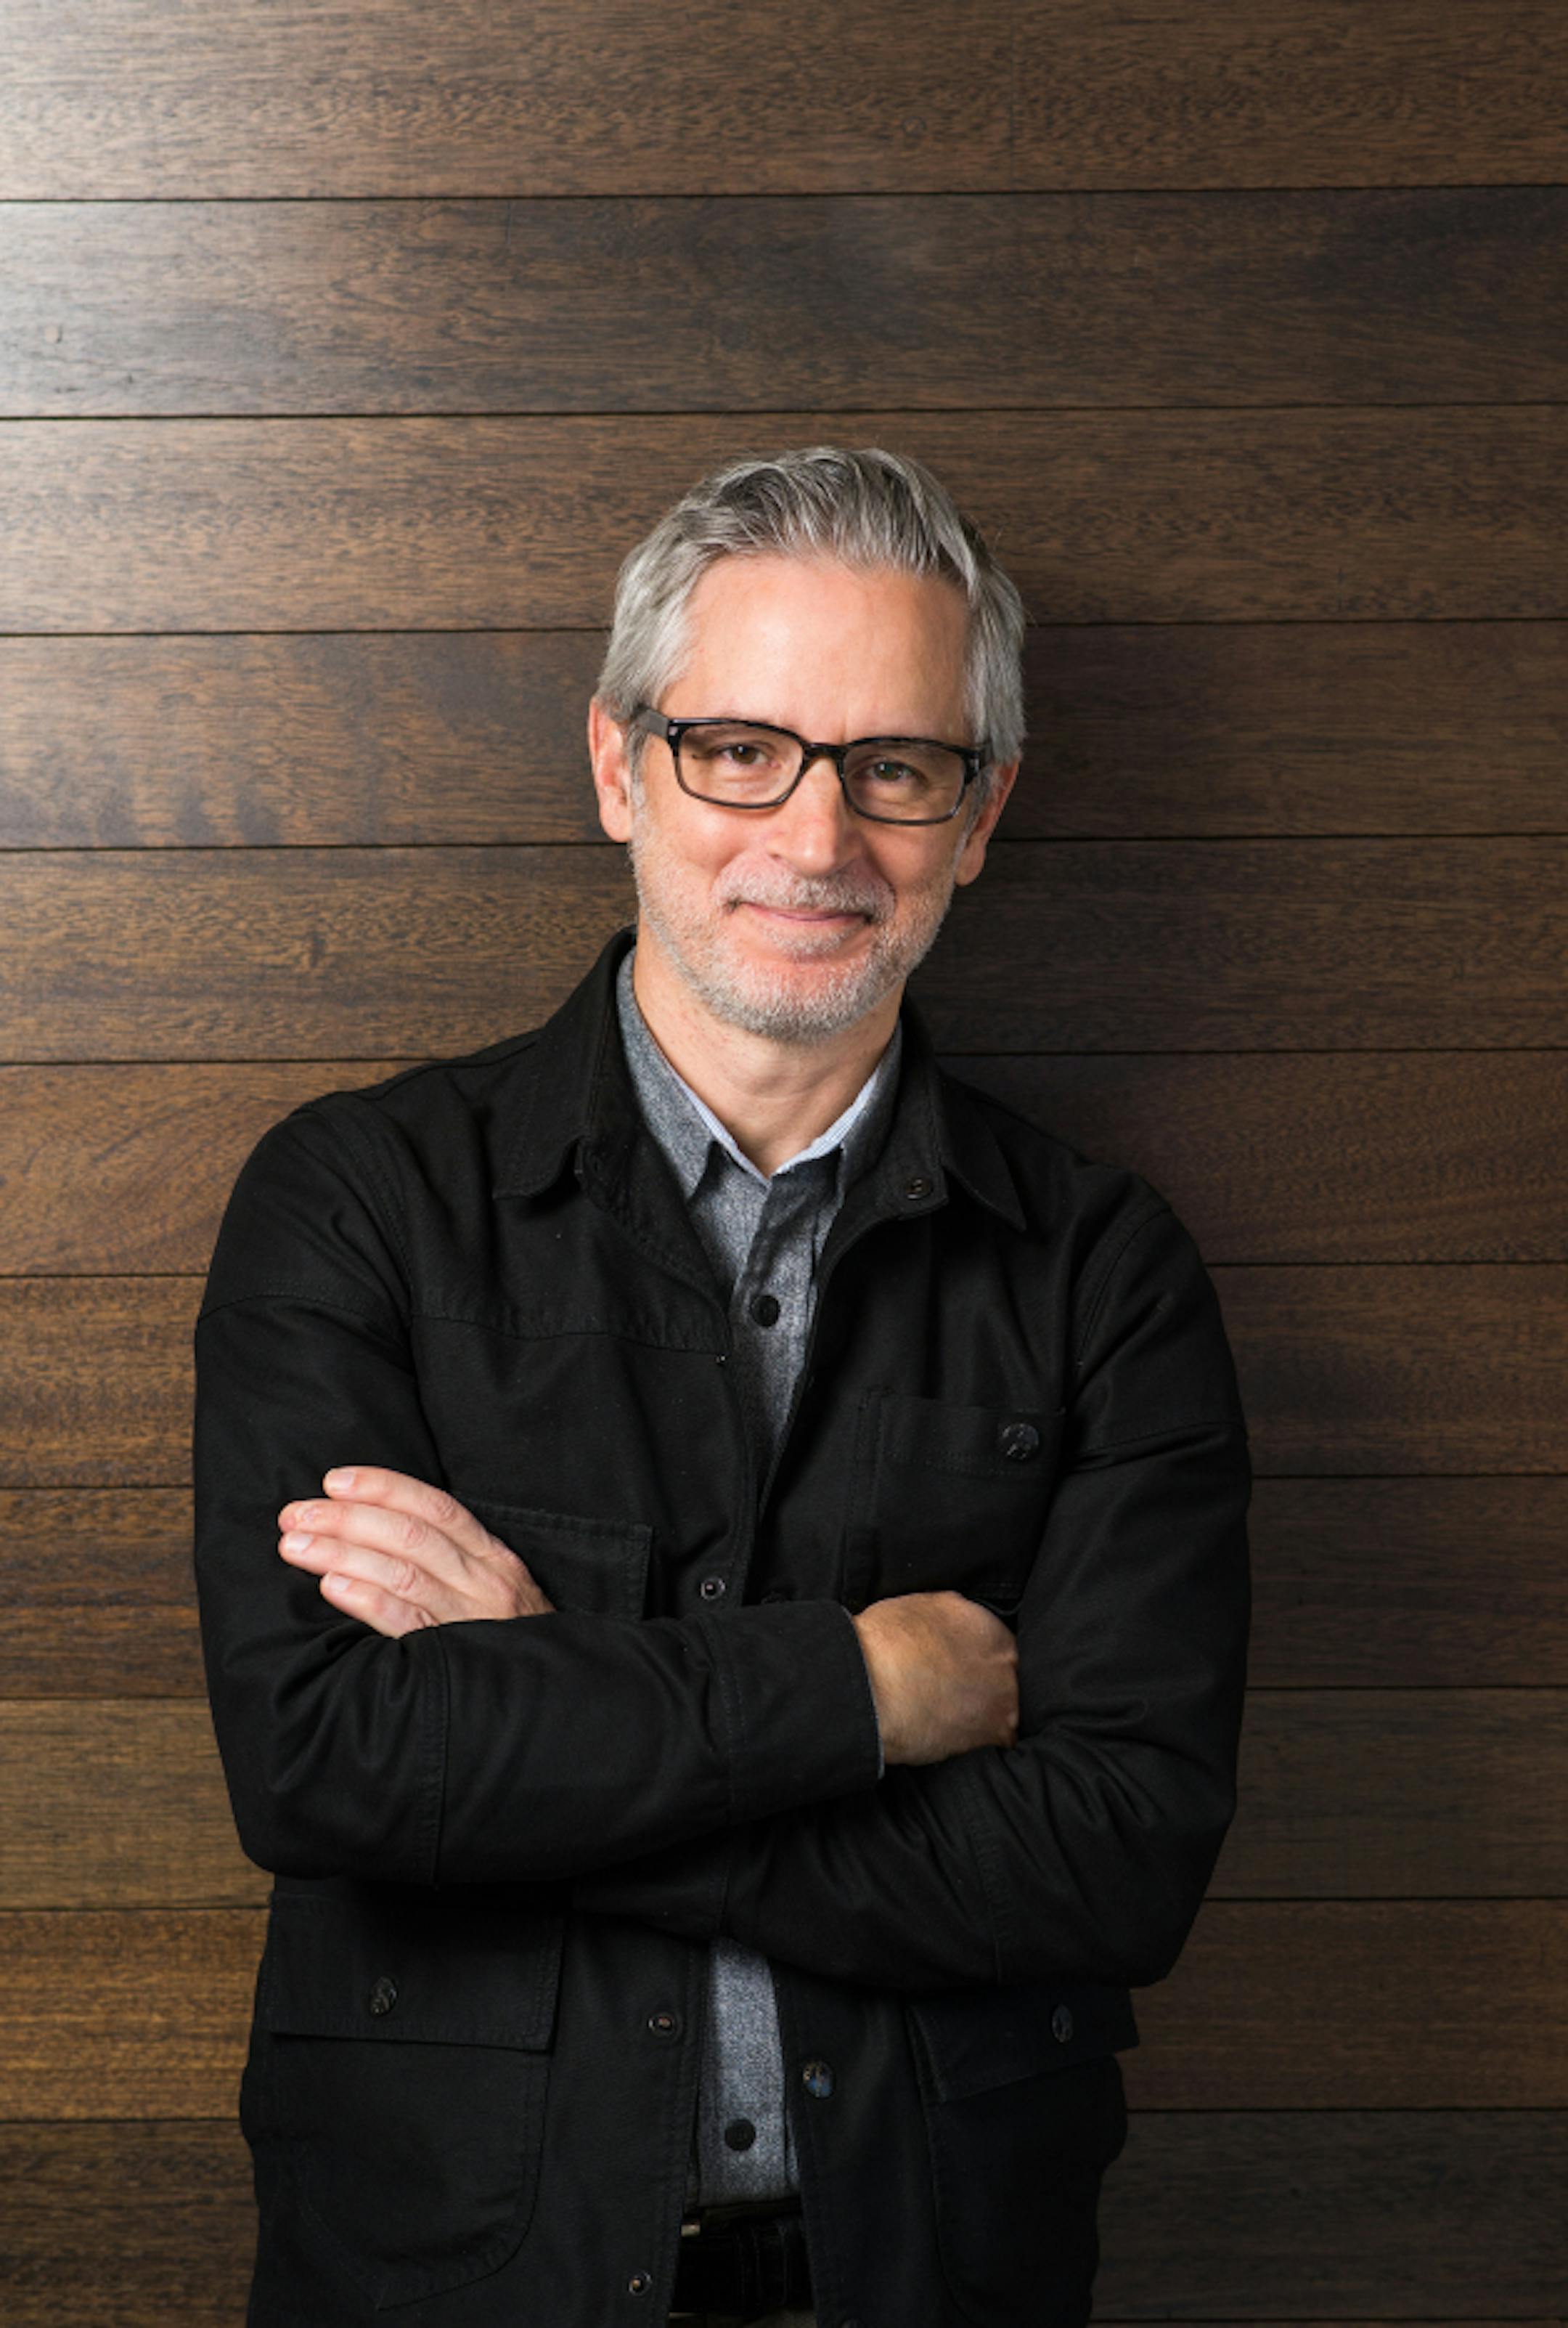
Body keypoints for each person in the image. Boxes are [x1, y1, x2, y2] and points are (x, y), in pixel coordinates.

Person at [195, 444, 1251, 2328]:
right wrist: (862, 1692)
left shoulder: (1103, 1271)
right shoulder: (361, 1202)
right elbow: (328, 1764)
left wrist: (543, 1703)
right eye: (739, 750)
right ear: (620, 767)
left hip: (934, 2280)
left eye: (895, 767)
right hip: (445, 2287)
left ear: (981, 813)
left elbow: (1111, 1867)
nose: (818, 839)